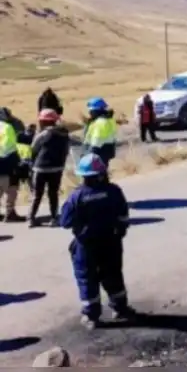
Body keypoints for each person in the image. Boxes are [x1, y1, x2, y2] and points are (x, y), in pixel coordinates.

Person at [60, 153, 134, 329]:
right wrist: (120, 232)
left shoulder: (76, 197)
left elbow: (65, 221)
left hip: (86, 245)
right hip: (111, 242)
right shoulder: (114, 191)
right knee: (113, 274)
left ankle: (92, 316)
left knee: (87, 278)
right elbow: (123, 215)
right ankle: (120, 309)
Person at [28, 109, 70, 227]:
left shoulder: (44, 134)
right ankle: (54, 218)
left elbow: (33, 148)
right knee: (53, 194)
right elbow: (66, 150)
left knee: (37, 194)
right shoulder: (64, 133)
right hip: (57, 168)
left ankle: (31, 218)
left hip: (40, 168)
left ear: (44, 121)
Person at [81, 98, 117, 166]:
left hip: (98, 153)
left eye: (91, 110)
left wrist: (88, 155)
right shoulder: (109, 120)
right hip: (107, 150)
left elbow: (96, 141)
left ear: (96, 111)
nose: (89, 112)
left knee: (95, 173)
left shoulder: (100, 122)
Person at [0, 107, 21, 223]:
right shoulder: (7, 127)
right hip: (7, 162)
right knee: (12, 188)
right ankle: (10, 213)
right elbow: (10, 146)